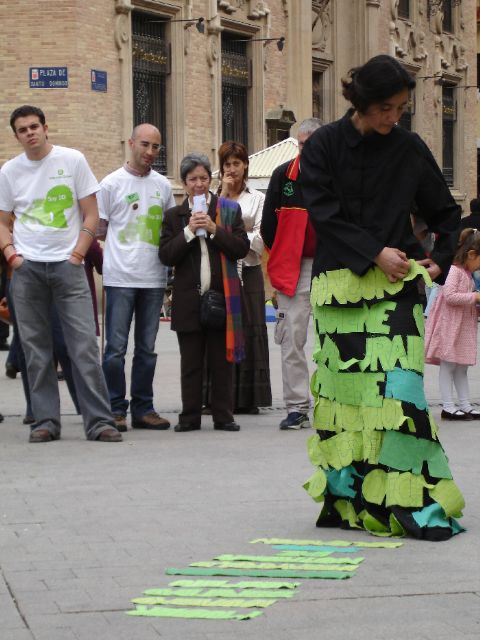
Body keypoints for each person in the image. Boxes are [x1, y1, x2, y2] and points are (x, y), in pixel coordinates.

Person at [299, 55, 463, 540]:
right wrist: (374, 253)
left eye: (401, 109)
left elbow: (445, 212)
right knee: (347, 398)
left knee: (401, 396)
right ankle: (351, 498)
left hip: (397, 294)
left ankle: (412, 504)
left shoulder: (410, 147)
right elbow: (322, 211)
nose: (394, 118)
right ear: (362, 103)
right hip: (340, 291)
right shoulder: (324, 144)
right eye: (386, 108)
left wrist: (441, 258)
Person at [0, 105, 121, 443]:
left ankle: (99, 421)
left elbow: (91, 213)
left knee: (82, 346)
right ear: (16, 136)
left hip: (68, 267)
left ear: (46, 127)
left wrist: (78, 253)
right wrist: (12, 255)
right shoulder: (9, 171)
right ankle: (45, 421)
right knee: (35, 349)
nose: (30, 133)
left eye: (34, 126)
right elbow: (2, 219)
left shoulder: (72, 160)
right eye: (22, 129)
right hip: (28, 270)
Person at [159, 153, 249, 432]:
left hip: (221, 297)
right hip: (188, 299)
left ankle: (223, 416)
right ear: (184, 184)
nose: (199, 184)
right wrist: (188, 231)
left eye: (203, 178)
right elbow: (166, 255)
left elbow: (240, 248)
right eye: (192, 179)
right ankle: (189, 417)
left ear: (211, 180)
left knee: (221, 362)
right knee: (191, 362)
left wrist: (214, 229)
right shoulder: (174, 216)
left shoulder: (228, 210)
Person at [97, 124, 175, 432]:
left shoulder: (163, 186)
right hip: (120, 278)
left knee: (147, 349)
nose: (150, 152)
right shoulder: (111, 184)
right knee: (115, 349)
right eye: (144, 144)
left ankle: (143, 408)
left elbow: (168, 229)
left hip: (153, 279)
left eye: (155, 147)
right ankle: (114, 408)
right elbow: (99, 228)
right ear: (131, 143)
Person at [261, 118, 322, 429]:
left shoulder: (337, 175)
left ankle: (331, 403)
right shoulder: (282, 174)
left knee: (333, 340)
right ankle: (297, 407)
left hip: (329, 267)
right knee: (291, 340)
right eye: (301, 145)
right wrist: (284, 255)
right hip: (293, 268)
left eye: (311, 145)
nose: (305, 151)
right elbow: (267, 229)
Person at [217, 140, 271, 414]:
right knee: (222, 330)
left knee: (250, 329)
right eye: (227, 164)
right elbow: (212, 230)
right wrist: (224, 195)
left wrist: (233, 238)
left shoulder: (258, 198)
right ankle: (222, 395)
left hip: (248, 271)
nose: (232, 169)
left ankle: (249, 397)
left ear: (245, 165)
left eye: (236, 163)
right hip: (220, 273)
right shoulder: (216, 197)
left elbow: (260, 237)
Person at [425, 228, 480, 420]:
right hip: (450, 325)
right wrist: (475, 296)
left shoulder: (466, 273)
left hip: (462, 326)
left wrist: (475, 302)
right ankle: (448, 406)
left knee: (461, 366)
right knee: (448, 366)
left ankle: (465, 404)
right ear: (471, 254)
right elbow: (449, 296)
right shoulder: (454, 271)